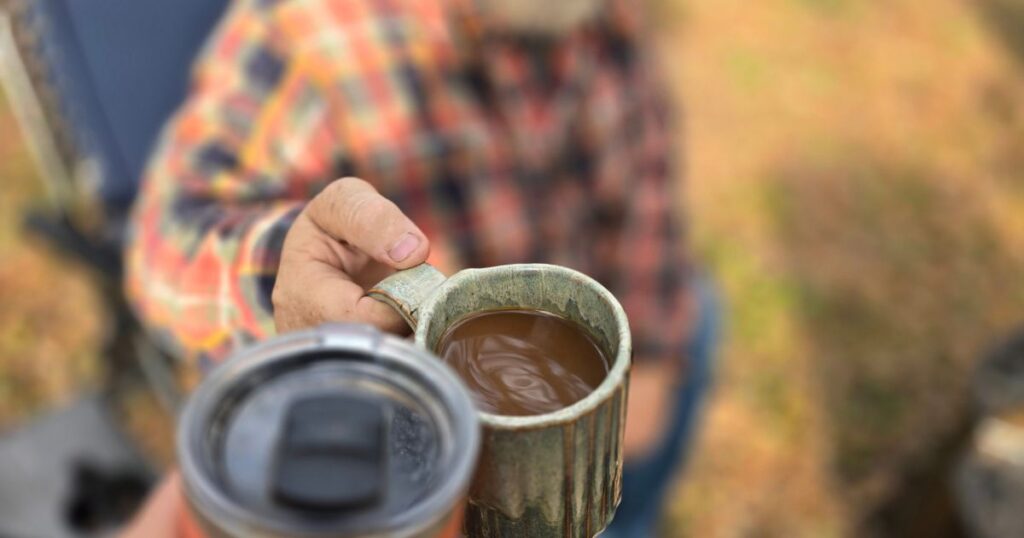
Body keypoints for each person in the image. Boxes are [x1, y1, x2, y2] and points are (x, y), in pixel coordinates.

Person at [124, 0, 718, 536]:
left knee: (703, 312)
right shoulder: (306, 35)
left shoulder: (605, 23)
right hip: (403, 463)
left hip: (593, 427)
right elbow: (167, 236)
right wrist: (284, 272)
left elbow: (648, 202)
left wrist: (654, 357)